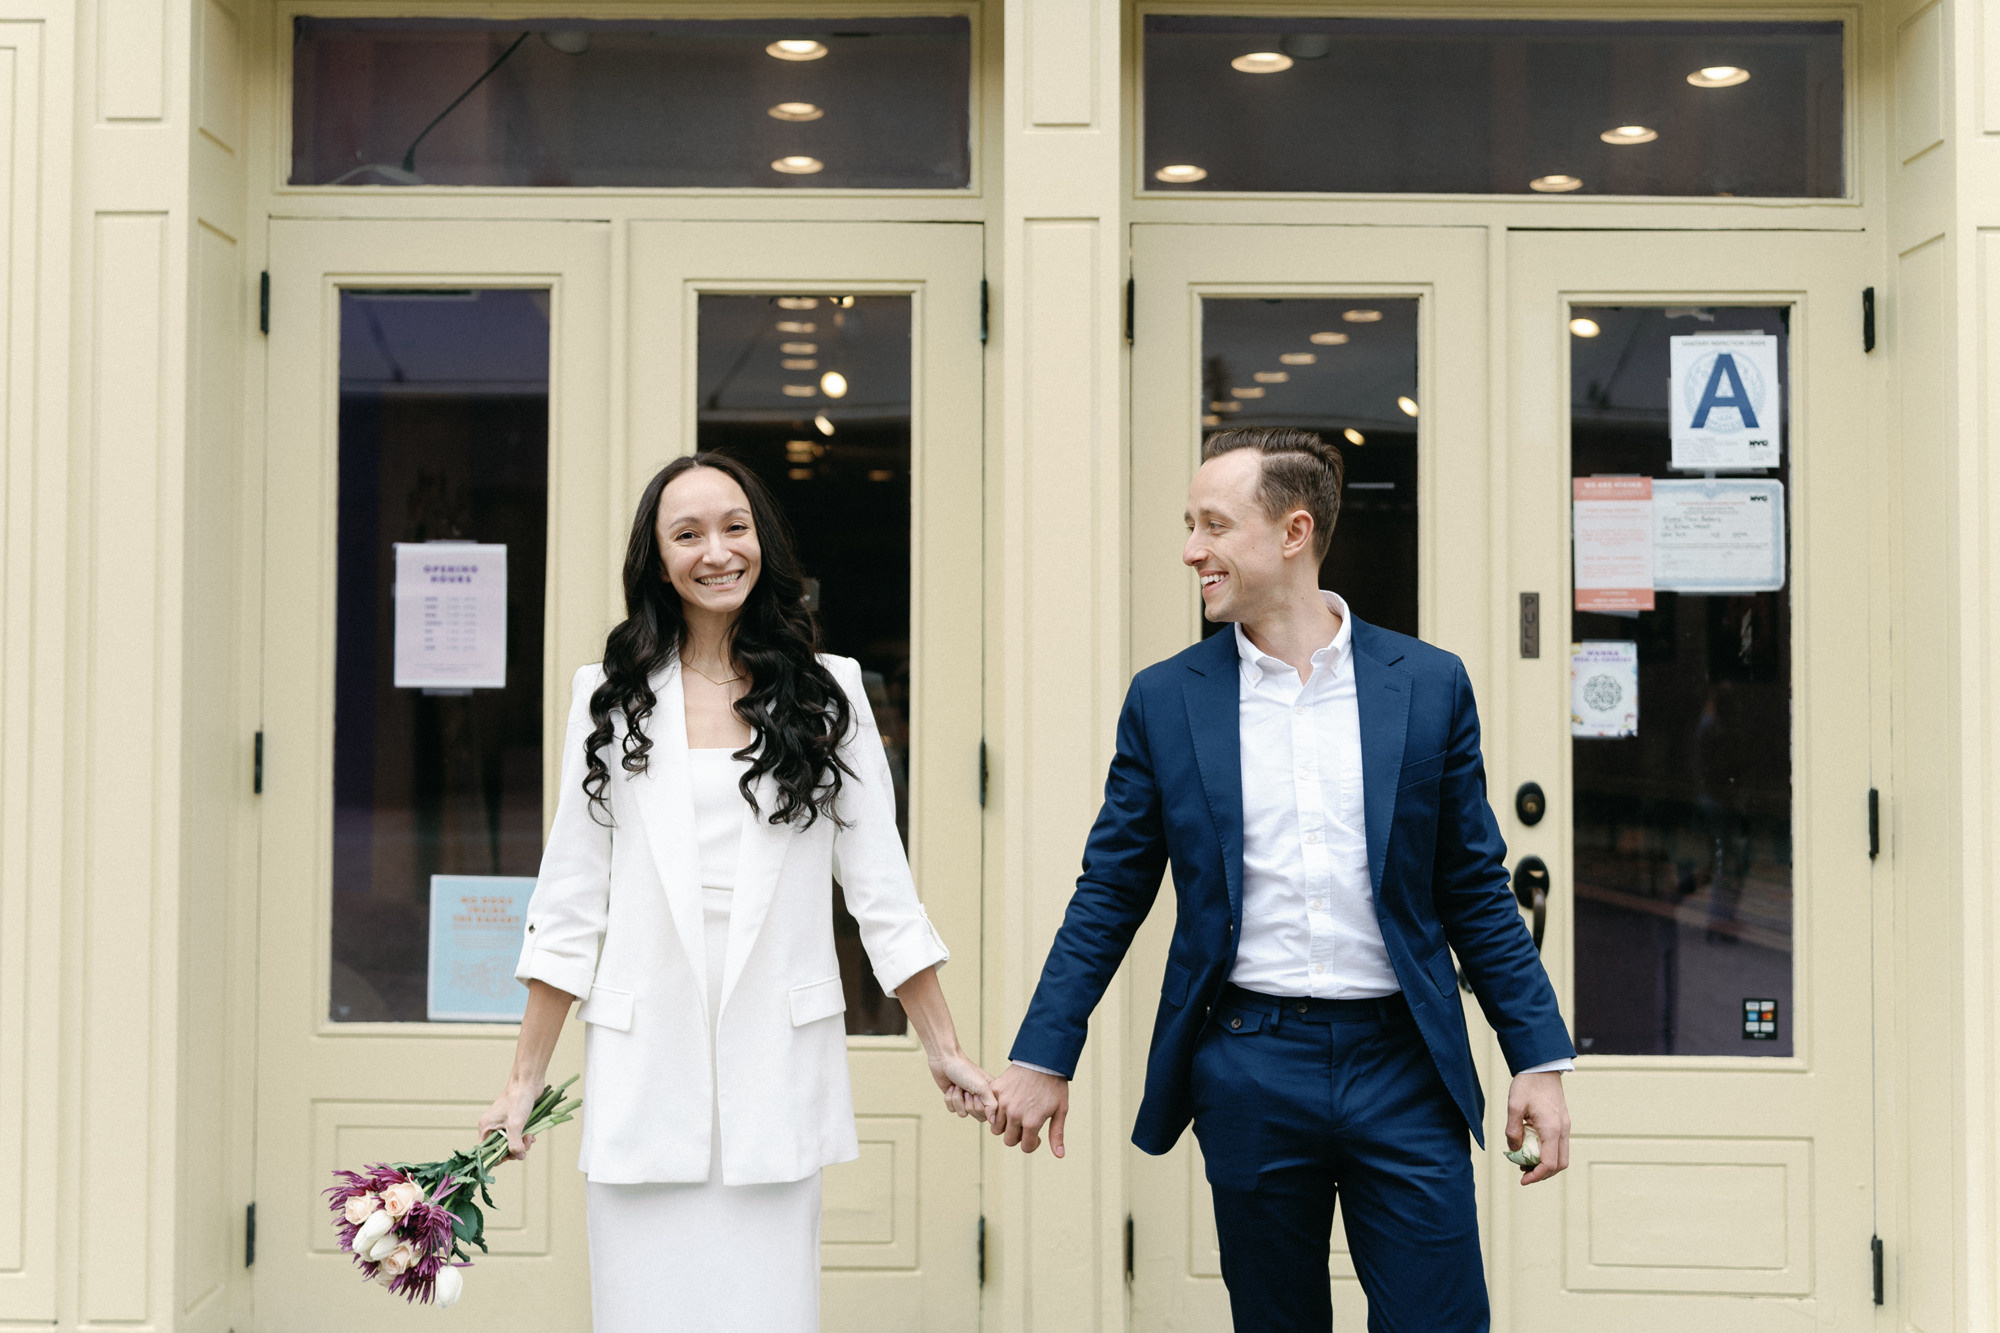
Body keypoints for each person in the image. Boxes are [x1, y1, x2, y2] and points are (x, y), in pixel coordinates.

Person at [986, 427, 1575, 1332]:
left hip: (1404, 1064)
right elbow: (1110, 890)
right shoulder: (1166, 699)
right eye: (1190, 524)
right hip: (1251, 1063)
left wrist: (1535, 1053)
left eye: (1214, 525)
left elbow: (1473, 886)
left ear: (1294, 532)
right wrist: (1043, 1051)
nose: (1192, 549)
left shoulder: (1427, 684)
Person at [479, 452, 993, 1332]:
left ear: (762, 540)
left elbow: (883, 894)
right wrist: (523, 1080)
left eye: (734, 526)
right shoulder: (606, 699)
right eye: (688, 534)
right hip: (646, 1076)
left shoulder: (830, 695)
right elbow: (570, 901)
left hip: (775, 1075)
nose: (716, 551)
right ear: (657, 559)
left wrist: (940, 1044)